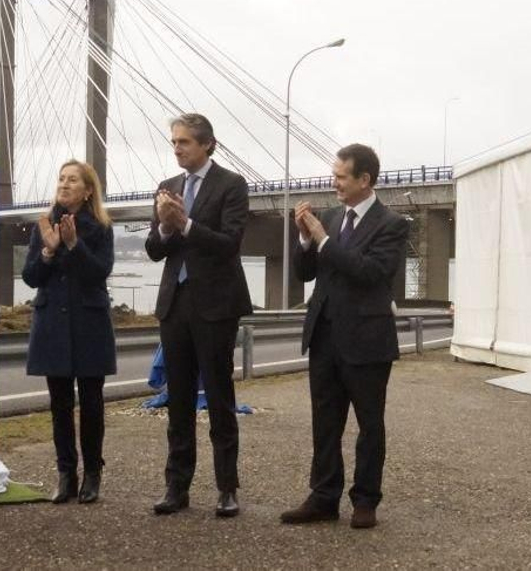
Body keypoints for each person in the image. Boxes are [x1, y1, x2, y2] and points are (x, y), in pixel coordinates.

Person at [279, 144, 410, 530]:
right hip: (324, 336)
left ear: (364, 180)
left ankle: (365, 500)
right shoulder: (332, 217)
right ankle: (323, 497)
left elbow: (371, 272)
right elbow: (306, 273)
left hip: (368, 341)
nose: (333, 182)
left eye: (340, 176)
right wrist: (305, 239)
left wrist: (323, 240)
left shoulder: (392, 224)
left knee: (370, 425)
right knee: (325, 423)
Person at [145, 112, 253, 517]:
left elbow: (229, 243)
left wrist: (185, 224)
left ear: (208, 144)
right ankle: (177, 486)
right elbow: (155, 250)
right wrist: (167, 228)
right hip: (175, 304)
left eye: (184, 142)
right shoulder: (167, 187)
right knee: (179, 401)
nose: (176, 149)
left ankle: (227, 488)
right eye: (173, 142)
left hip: (216, 306)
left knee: (220, 398)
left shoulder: (232, 185)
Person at [22, 160, 117, 505]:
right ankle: (66, 475)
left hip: (89, 323)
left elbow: (100, 272)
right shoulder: (43, 226)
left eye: (72, 180)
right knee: (59, 404)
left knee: (91, 403)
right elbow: (31, 277)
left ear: (88, 190)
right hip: (52, 324)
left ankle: (93, 474)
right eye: (61, 178)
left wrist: (75, 245)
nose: (64, 184)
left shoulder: (102, 228)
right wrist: (49, 250)